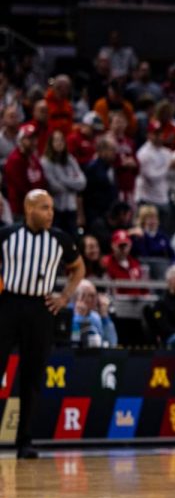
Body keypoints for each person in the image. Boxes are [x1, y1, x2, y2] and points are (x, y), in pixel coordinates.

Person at [0, 190, 86, 457]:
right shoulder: (7, 235)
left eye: (51, 208)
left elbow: (79, 268)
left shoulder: (60, 239)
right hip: (8, 304)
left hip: (42, 308)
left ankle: (24, 441)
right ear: (28, 209)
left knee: (32, 377)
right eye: (44, 208)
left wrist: (64, 298)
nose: (50, 213)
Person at [41, 128, 86, 234]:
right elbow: (54, 186)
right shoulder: (45, 161)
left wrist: (62, 179)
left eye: (61, 140)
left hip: (71, 207)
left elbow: (82, 183)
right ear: (50, 143)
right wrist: (72, 185)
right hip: (55, 208)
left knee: (73, 239)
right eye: (56, 140)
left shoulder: (70, 159)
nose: (59, 143)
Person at [5, 124, 47, 217]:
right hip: (21, 210)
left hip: (36, 207)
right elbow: (21, 187)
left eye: (35, 138)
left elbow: (42, 179)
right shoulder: (14, 160)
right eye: (30, 139)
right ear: (21, 140)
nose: (34, 142)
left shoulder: (33, 157)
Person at [71, 280, 118, 348]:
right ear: (79, 297)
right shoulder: (69, 315)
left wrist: (105, 317)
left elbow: (112, 343)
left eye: (95, 295)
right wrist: (80, 318)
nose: (95, 299)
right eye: (91, 296)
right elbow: (74, 344)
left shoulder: (95, 317)